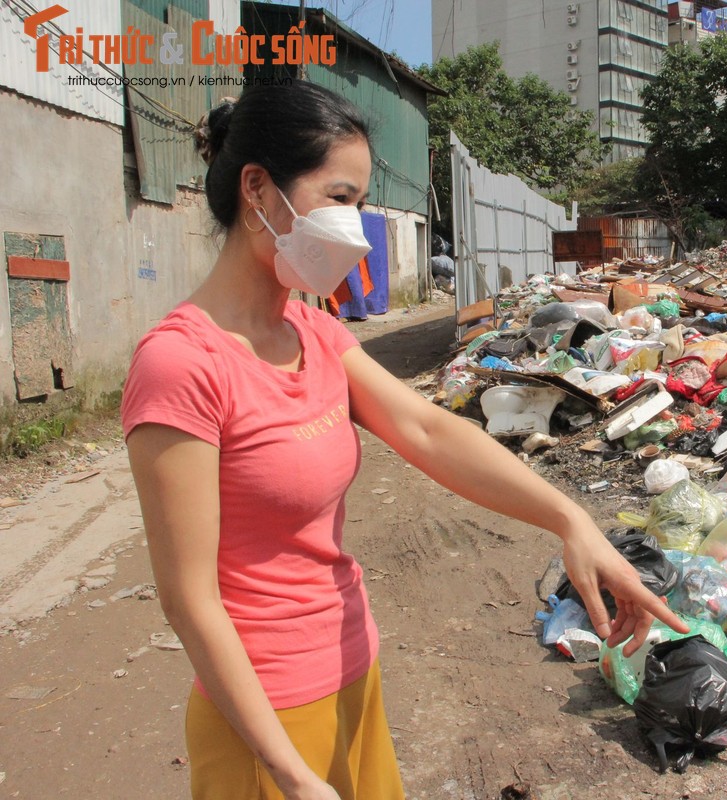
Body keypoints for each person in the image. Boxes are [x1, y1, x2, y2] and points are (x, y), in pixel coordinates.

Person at [122, 80, 686, 800]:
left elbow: (427, 429)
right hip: (260, 724)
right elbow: (188, 599)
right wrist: (291, 775)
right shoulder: (182, 363)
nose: (357, 227)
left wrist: (572, 520)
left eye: (360, 202)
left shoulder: (316, 332)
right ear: (257, 189)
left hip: (351, 667)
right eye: (340, 198)